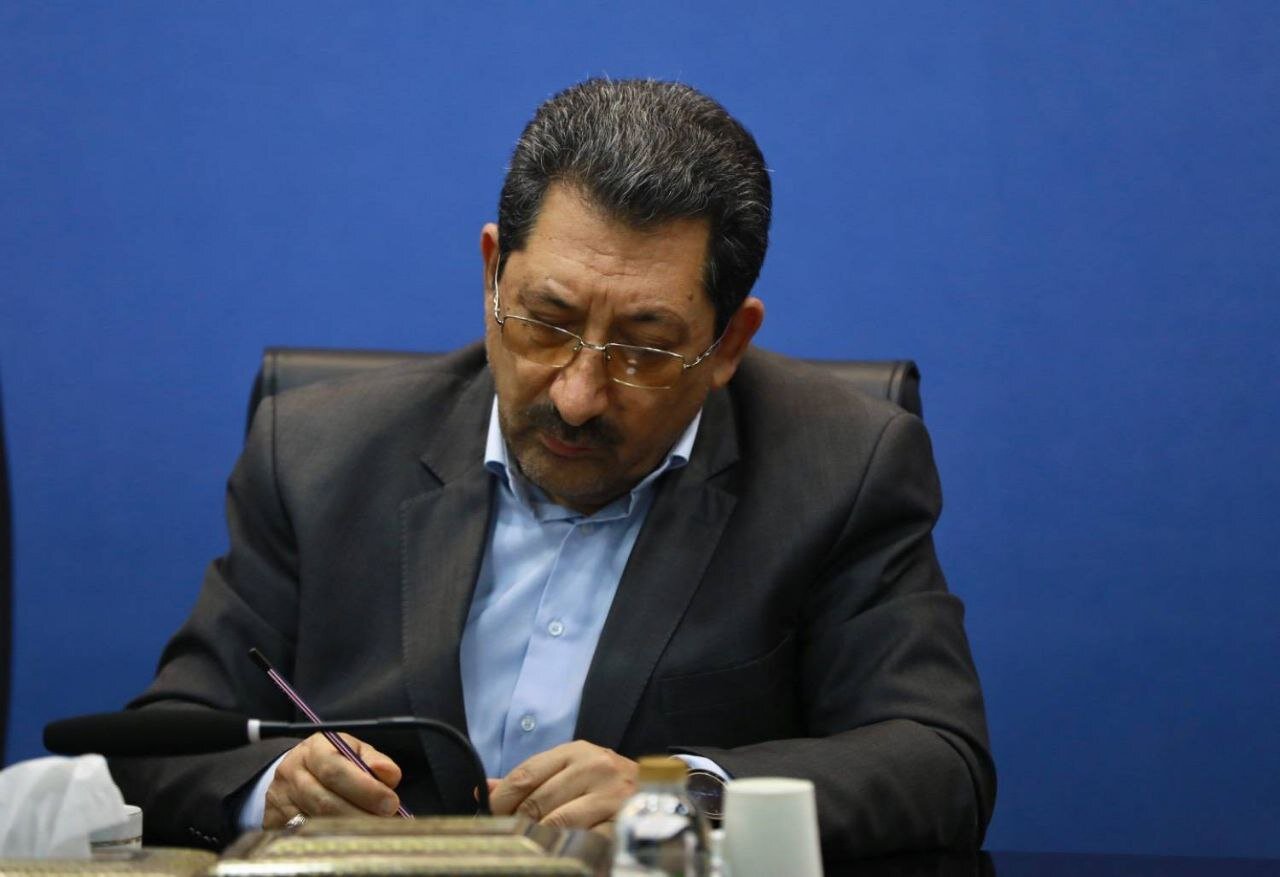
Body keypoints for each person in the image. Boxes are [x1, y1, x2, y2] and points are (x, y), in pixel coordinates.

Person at [108, 79, 995, 859]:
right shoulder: (316, 453)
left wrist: (679, 795)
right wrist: (274, 788)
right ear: (493, 272)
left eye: (645, 348)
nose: (576, 396)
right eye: (546, 321)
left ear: (729, 343)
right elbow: (159, 745)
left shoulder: (842, 467)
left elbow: (938, 758)